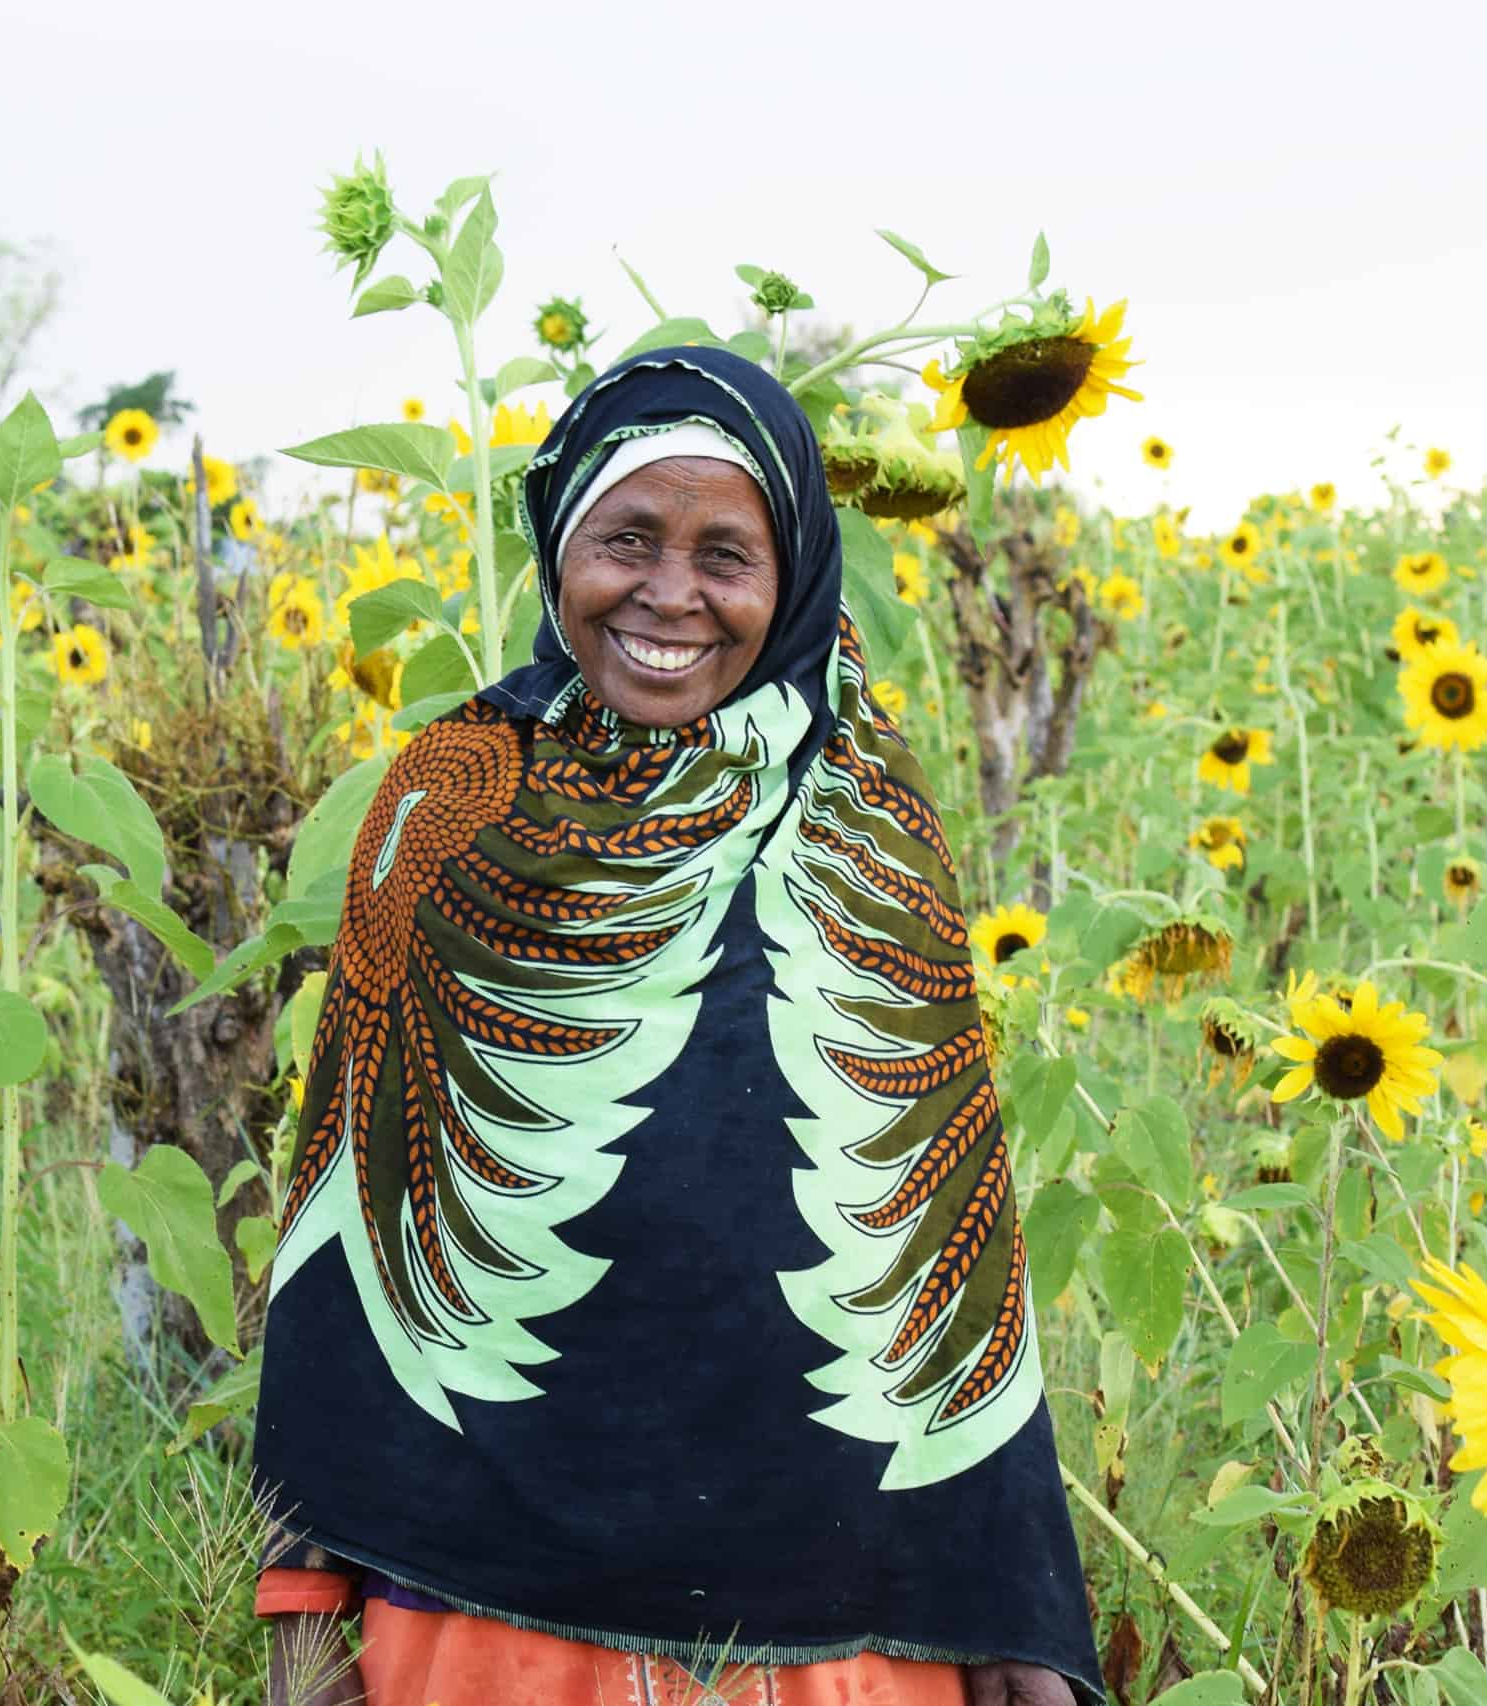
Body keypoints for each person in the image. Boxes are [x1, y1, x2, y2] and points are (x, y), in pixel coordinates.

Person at [253, 347, 1103, 1706]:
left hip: (842, 1625)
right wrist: (305, 1605)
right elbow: (344, 1237)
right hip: (483, 1620)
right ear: (558, 546)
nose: (669, 594)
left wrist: (1013, 1615)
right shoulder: (447, 804)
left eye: (726, 553)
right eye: (627, 539)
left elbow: (943, 1240)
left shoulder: (868, 824)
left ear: (797, 573)